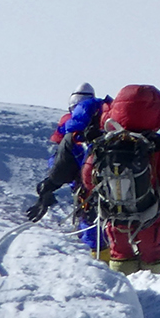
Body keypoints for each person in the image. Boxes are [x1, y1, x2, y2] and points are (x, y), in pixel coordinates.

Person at [76, 84, 160, 275]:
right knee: (152, 249)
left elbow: (88, 174)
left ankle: (126, 287)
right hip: (150, 210)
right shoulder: (155, 144)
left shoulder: (105, 143)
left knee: (119, 250)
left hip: (114, 211)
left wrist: (94, 197)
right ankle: (157, 281)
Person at [27, 82, 104, 223]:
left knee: (90, 226)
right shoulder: (107, 127)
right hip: (115, 189)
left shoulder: (71, 132)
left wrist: (48, 186)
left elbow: (61, 163)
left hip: (86, 190)